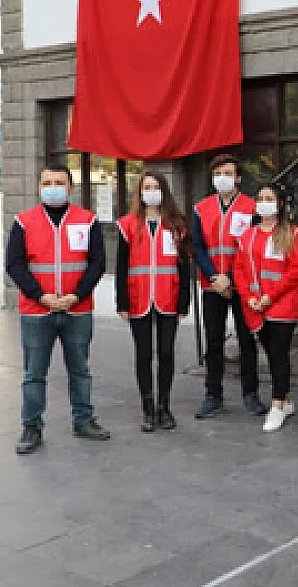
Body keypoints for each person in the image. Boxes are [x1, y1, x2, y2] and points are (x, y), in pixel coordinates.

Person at [6, 164, 110, 454]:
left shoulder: (87, 221)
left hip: (77, 309)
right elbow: (14, 264)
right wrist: (42, 296)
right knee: (34, 373)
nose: (53, 187)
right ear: (39, 187)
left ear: (70, 188)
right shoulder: (24, 222)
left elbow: (97, 263)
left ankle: (84, 419)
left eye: (59, 182)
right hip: (37, 311)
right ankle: (31, 427)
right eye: (47, 182)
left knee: (80, 370)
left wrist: (76, 295)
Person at [115, 171, 192, 433]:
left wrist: (184, 303)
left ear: (164, 191)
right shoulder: (127, 225)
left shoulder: (177, 225)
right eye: (146, 187)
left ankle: (164, 407)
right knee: (144, 355)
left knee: (167, 353)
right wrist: (122, 303)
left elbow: (184, 268)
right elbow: (121, 266)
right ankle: (147, 408)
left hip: (168, 298)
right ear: (139, 192)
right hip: (138, 299)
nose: (151, 191)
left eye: (156, 187)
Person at [192, 154, 266, 419]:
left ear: (238, 178)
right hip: (213, 285)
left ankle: (251, 393)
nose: (221, 178)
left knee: (247, 340)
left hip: (241, 285)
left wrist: (232, 279)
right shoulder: (201, 208)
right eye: (217, 173)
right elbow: (198, 248)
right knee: (213, 342)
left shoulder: (251, 208)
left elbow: (255, 248)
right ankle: (213, 395)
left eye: (227, 173)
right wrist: (215, 277)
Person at [235, 184, 298, 432]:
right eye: (260, 198)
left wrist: (269, 297)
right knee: (270, 353)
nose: (264, 202)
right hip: (255, 306)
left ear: (280, 204)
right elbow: (239, 270)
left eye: (269, 198)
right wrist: (249, 297)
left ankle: (276, 406)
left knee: (278, 355)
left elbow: (295, 270)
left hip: (282, 305)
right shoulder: (247, 236)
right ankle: (285, 398)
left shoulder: (291, 233)